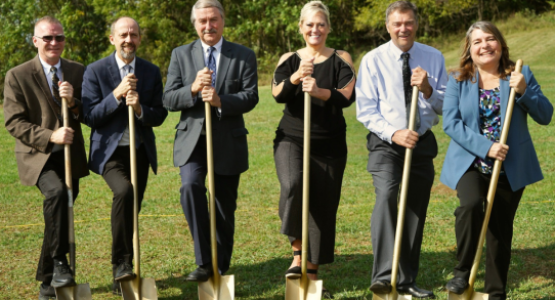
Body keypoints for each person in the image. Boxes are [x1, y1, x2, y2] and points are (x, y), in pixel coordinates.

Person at [441, 21, 553, 300]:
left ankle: (495, 292)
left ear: (501, 44)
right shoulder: (458, 79)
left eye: (490, 39)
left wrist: (525, 91)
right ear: (470, 49)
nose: (484, 45)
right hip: (472, 161)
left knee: (499, 231)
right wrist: (486, 147)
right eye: (477, 41)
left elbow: (545, 115)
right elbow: (451, 124)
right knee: (470, 206)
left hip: (510, 166)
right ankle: (462, 272)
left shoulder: (519, 74)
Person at [355, 1, 447, 298]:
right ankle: (384, 275)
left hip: (421, 142)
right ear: (388, 26)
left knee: (414, 210)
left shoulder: (433, 57)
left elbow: (446, 105)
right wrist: (394, 133)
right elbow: (366, 110)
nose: (403, 28)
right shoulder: (372, 60)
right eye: (397, 23)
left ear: (416, 24)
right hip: (386, 144)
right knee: (387, 197)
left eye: (408, 22)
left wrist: (429, 89)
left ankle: (406, 279)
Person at [162, 0, 258, 282]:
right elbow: (168, 98)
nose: (208, 26)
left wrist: (220, 101)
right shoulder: (180, 54)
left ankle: (220, 263)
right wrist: (192, 89)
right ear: (195, 24)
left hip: (228, 140)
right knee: (190, 188)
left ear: (222, 20)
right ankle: (204, 261)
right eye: (202, 21)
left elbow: (251, 96)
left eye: (213, 19)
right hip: (192, 141)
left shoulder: (243, 55)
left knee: (223, 207)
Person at [271, 1, 355, 298]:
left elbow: (347, 96)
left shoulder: (341, 58)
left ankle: (313, 272)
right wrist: (296, 77)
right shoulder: (290, 58)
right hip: (292, 138)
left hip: (330, 143)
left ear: (328, 27)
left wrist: (318, 90)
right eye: (309, 25)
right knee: (294, 185)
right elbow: (277, 93)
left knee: (323, 205)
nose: (315, 29)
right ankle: (297, 254)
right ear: (301, 28)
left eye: (321, 24)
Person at [3, 16, 89, 300]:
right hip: (38, 155)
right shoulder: (18, 74)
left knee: (59, 215)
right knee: (56, 195)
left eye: (59, 37)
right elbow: (13, 122)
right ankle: (61, 262)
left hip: (70, 156)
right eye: (48, 38)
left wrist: (74, 102)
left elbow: (88, 112)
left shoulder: (77, 71)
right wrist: (49, 136)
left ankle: (47, 283)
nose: (54, 43)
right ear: (35, 41)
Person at [81, 16, 167, 294]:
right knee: (124, 192)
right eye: (123, 35)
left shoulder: (151, 71)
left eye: (134, 34)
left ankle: (125, 274)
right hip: (110, 153)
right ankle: (121, 264)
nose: (128, 39)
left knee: (132, 208)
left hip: (140, 151)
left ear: (139, 38)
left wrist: (140, 108)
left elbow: (160, 114)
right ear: (112, 39)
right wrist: (116, 95)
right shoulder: (95, 71)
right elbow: (89, 115)